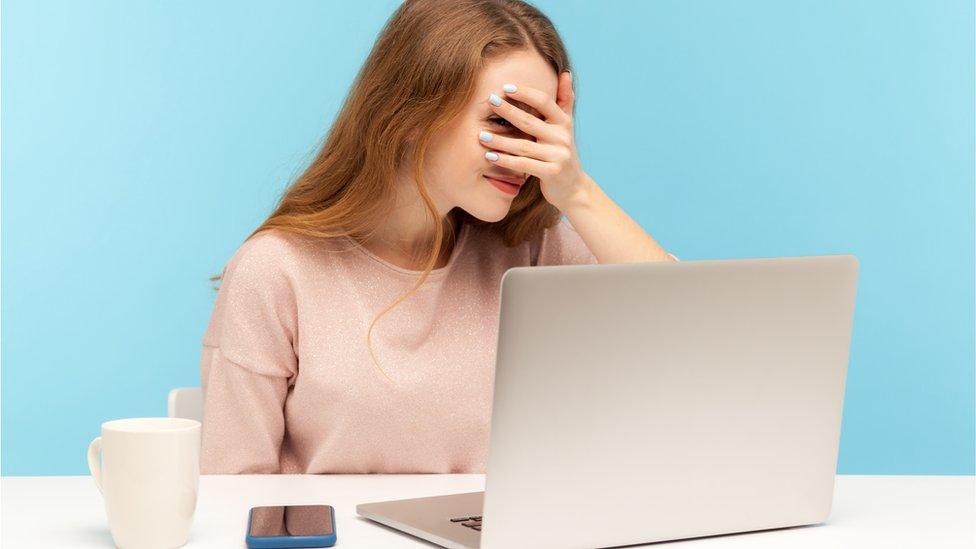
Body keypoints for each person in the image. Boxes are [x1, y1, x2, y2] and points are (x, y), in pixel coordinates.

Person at [199, 0, 678, 475]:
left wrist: (577, 190)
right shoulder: (276, 271)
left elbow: (679, 329)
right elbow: (232, 491)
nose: (524, 153)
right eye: (501, 123)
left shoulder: (532, 250)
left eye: (541, 128)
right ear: (411, 115)